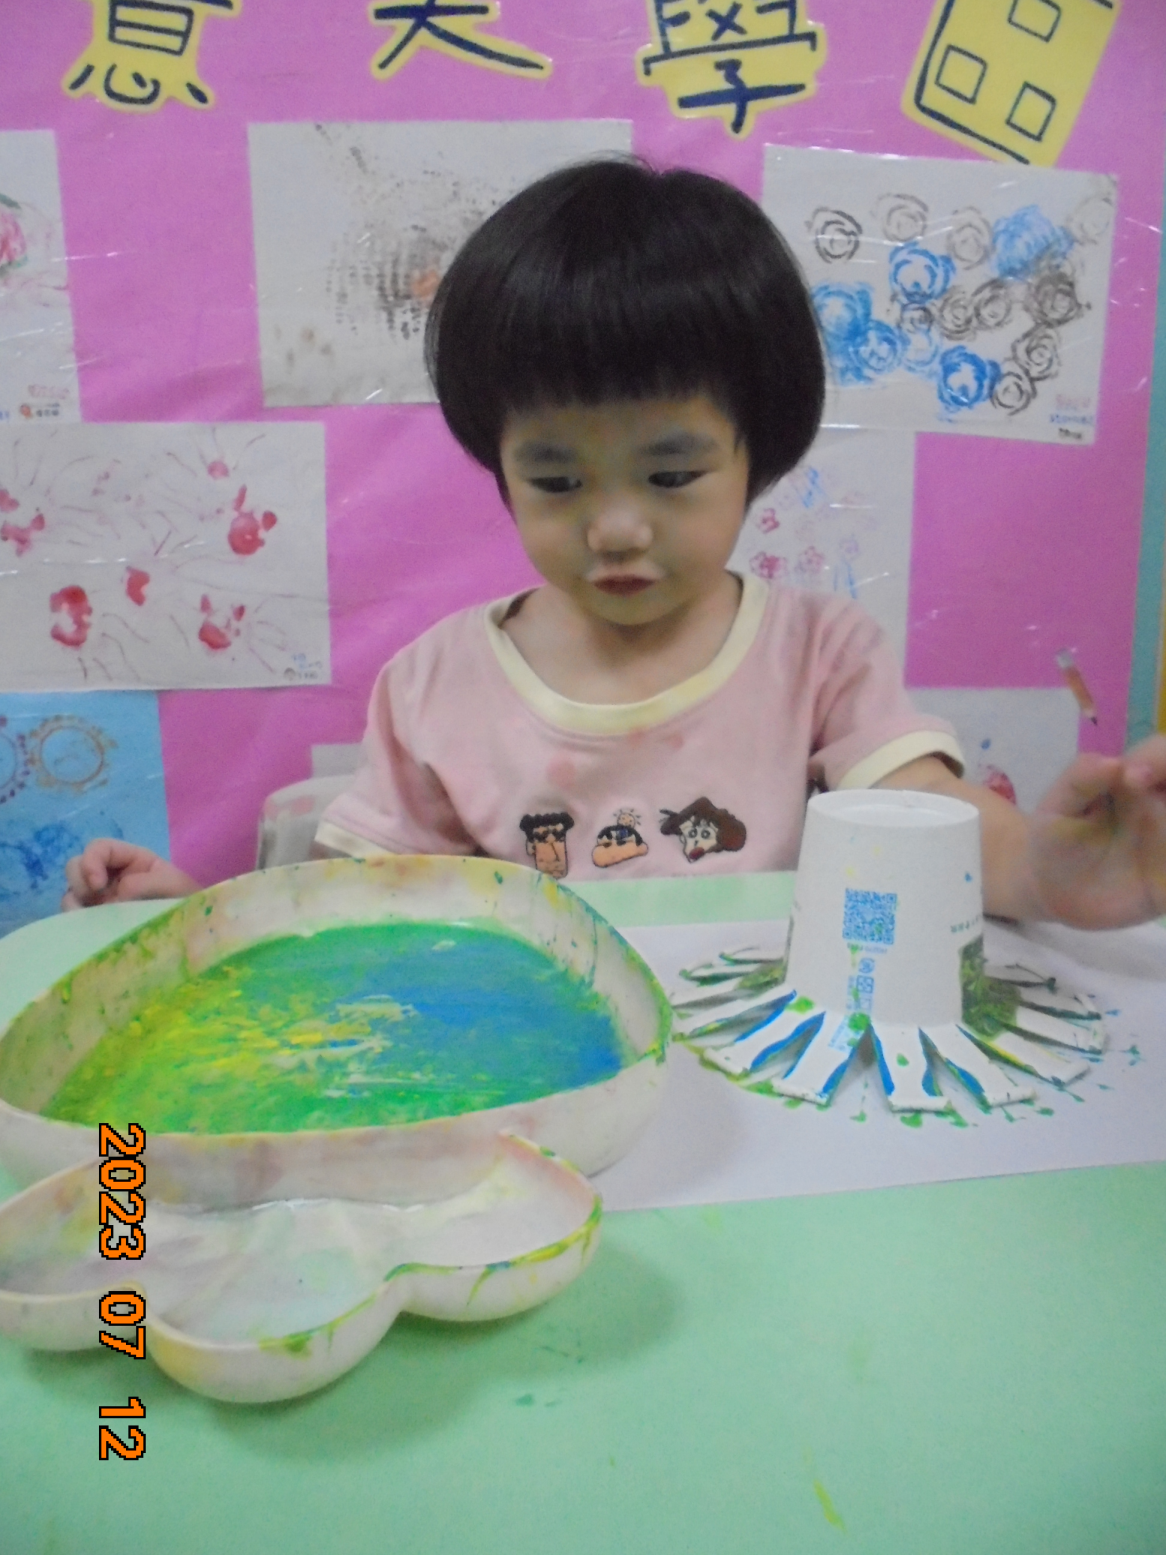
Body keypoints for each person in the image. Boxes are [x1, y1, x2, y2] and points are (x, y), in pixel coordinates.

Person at [63, 159, 1166, 930]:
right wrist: (199, 917)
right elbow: (361, 917)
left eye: (671, 474)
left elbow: (932, 823)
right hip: (533, 1080)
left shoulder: (822, 656)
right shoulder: (434, 683)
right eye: (556, 480)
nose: (617, 526)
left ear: (759, 450)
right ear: (498, 464)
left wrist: (1054, 875)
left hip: (767, 1082)